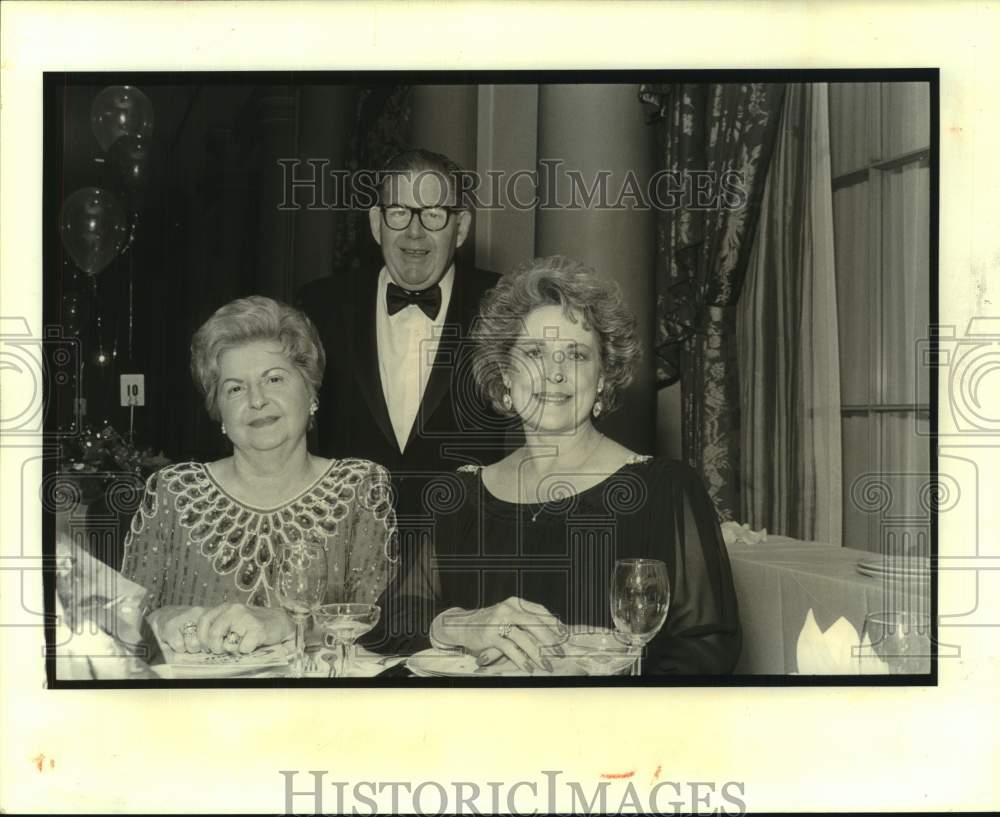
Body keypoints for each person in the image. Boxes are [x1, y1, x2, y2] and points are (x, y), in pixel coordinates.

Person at [427, 256, 741, 675]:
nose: (554, 374)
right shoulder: (462, 496)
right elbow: (391, 622)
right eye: (534, 353)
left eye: (575, 355)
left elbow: (705, 654)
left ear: (603, 380)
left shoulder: (664, 490)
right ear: (504, 375)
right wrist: (465, 624)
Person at [121, 296, 402, 656]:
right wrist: (160, 620)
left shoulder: (359, 486)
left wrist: (287, 624)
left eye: (274, 379)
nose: (256, 400)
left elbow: (380, 625)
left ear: (310, 391)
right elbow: (119, 622)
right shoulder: (173, 491)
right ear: (218, 409)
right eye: (235, 388)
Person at [297, 148, 515, 522]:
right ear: (376, 223)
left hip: (466, 551)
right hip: (346, 545)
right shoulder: (320, 306)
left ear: (460, 228)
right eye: (399, 212)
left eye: (433, 215)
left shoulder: (505, 305)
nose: (415, 232)